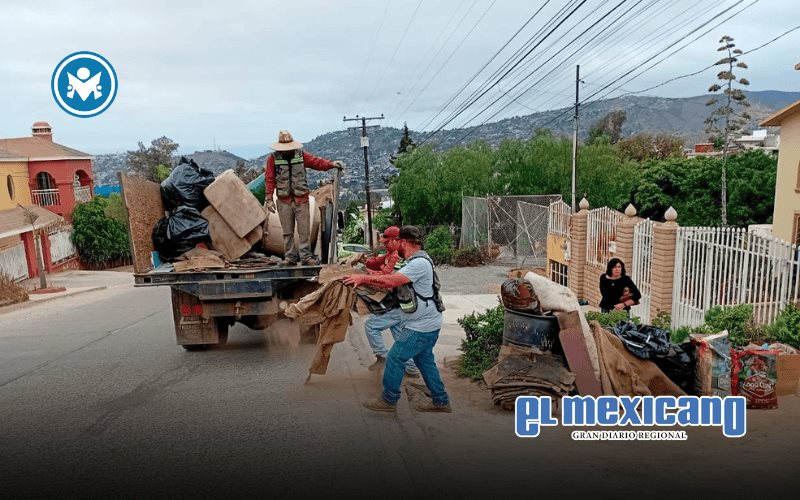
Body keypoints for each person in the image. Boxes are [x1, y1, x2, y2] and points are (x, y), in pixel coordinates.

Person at [342, 225, 451, 413]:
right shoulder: (414, 261)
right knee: (425, 361)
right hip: (425, 322)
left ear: (404, 242)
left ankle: (389, 400)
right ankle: (441, 401)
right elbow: (387, 274)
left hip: (422, 326)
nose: (394, 245)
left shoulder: (419, 263)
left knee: (394, 358)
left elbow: (392, 281)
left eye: (397, 242)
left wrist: (362, 278)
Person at [264, 130, 343, 266]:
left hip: (301, 200)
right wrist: (269, 199)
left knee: (304, 231)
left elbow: (317, 162)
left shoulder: (301, 156)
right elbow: (269, 178)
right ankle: (290, 257)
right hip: (284, 201)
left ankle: (306, 257)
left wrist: (331, 164)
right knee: (287, 232)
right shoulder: (273, 159)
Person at [361, 226, 419, 377]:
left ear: (396, 241)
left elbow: (386, 277)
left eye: (387, 242)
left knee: (371, 326)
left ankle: (382, 356)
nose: (384, 245)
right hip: (400, 303)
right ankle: (411, 369)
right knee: (400, 337)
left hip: (400, 303)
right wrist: (363, 260)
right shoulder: (390, 254)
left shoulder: (398, 257)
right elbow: (375, 263)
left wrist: (364, 276)